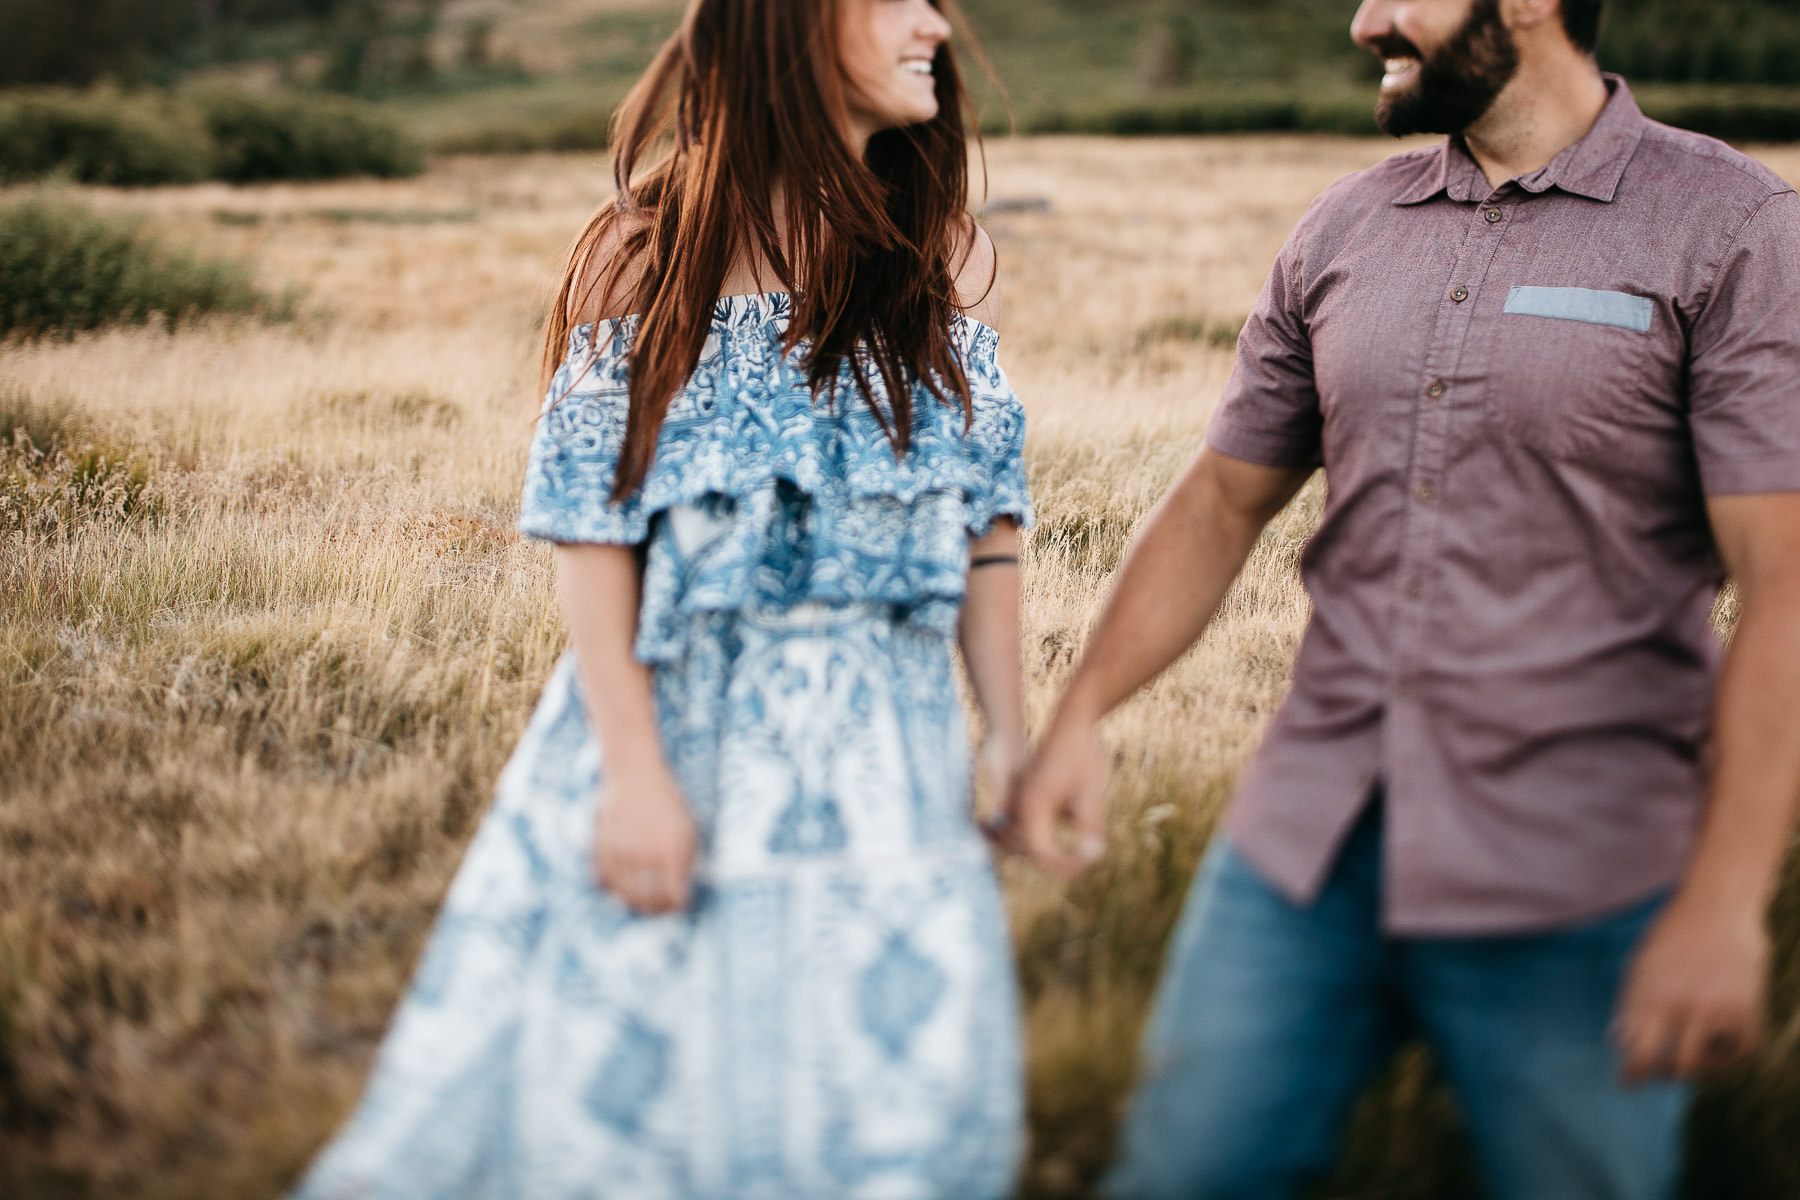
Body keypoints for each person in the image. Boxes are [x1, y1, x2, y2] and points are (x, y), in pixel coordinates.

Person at [1010, 0, 1800, 1197]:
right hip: (1304, 851)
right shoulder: (1345, 226)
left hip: (1577, 880)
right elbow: (1222, 503)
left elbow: (1784, 584)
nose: (1364, 19)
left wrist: (1727, 905)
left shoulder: (1730, 229)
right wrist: (1079, 717)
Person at [290, 1, 1032, 1196]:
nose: (935, 24)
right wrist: (635, 779)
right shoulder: (648, 251)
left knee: (879, 1126)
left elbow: (987, 531)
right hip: (673, 744)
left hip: (891, 778)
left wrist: (1009, 737)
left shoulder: (944, 256)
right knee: (627, 1123)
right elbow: (593, 535)